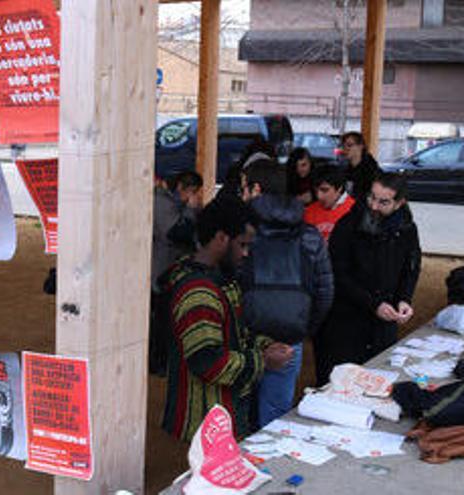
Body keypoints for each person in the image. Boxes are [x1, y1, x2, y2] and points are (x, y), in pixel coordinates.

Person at [161, 198, 294, 442]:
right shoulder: (198, 293)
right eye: (242, 244)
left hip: (223, 415)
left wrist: (265, 344)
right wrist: (263, 360)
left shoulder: (219, 280)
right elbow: (207, 362)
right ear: (221, 238)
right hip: (206, 424)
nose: (246, 253)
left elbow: (235, 333)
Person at [236, 159, 334, 427]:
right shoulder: (311, 235)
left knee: (237, 413)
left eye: (242, 188)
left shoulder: (242, 233)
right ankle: (269, 468)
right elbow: (325, 293)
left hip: (244, 338)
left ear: (255, 190)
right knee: (275, 415)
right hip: (290, 337)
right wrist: (303, 330)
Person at [316, 174, 421, 386]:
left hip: (383, 324)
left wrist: (404, 299)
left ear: (400, 203)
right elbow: (339, 273)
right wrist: (373, 304)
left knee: (375, 382)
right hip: (345, 322)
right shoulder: (348, 225)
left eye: (383, 202)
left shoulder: (407, 228)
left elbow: (411, 267)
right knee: (341, 385)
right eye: (371, 197)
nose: (374, 205)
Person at [150, 171, 203, 375]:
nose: (193, 196)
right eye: (191, 191)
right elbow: (178, 234)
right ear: (180, 187)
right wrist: (190, 211)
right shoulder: (161, 203)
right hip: (161, 271)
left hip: (170, 270)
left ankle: (162, 360)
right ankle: (158, 362)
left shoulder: (167, 202)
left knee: (167, 320)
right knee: (161, 322)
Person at [304, 166, 357, 242]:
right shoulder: (309, 211)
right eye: (315, 191)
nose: (319, 196)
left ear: (339, 188)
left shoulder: (354, 210)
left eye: (324, 190)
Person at [341, 131, 381, 203]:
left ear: (361, 146)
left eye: (349, 145)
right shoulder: (345, 169)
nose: (345, 149)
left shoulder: (371, 170)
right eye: (343, 146)